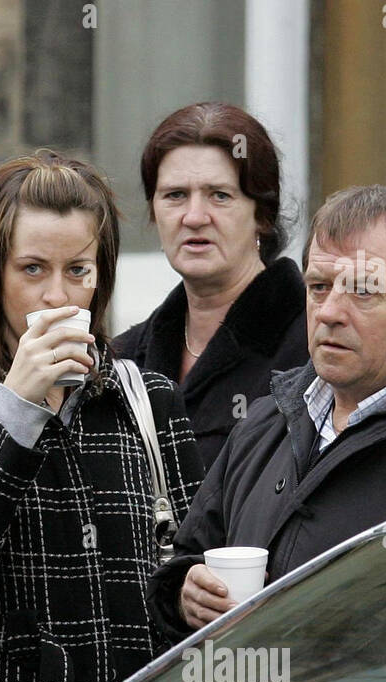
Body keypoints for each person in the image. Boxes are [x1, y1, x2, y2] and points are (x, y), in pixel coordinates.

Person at [0, 151, 205, 682]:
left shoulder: (149, 400)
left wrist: (189, 588)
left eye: (78, 270)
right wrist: (15, 408)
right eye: (33, 269)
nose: (56, 295)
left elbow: (190, 557)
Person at [150, 185, 386, 639]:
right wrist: (185, 595)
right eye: (318, 287)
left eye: (363, 291)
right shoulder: (267, 417)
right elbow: (189, 557)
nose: (330, 311)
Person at [113, 102, 309, 470]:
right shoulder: (125, 360)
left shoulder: (317, 345)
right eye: (175, 195)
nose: (194, 217)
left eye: (220, 195)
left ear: (263, 215)